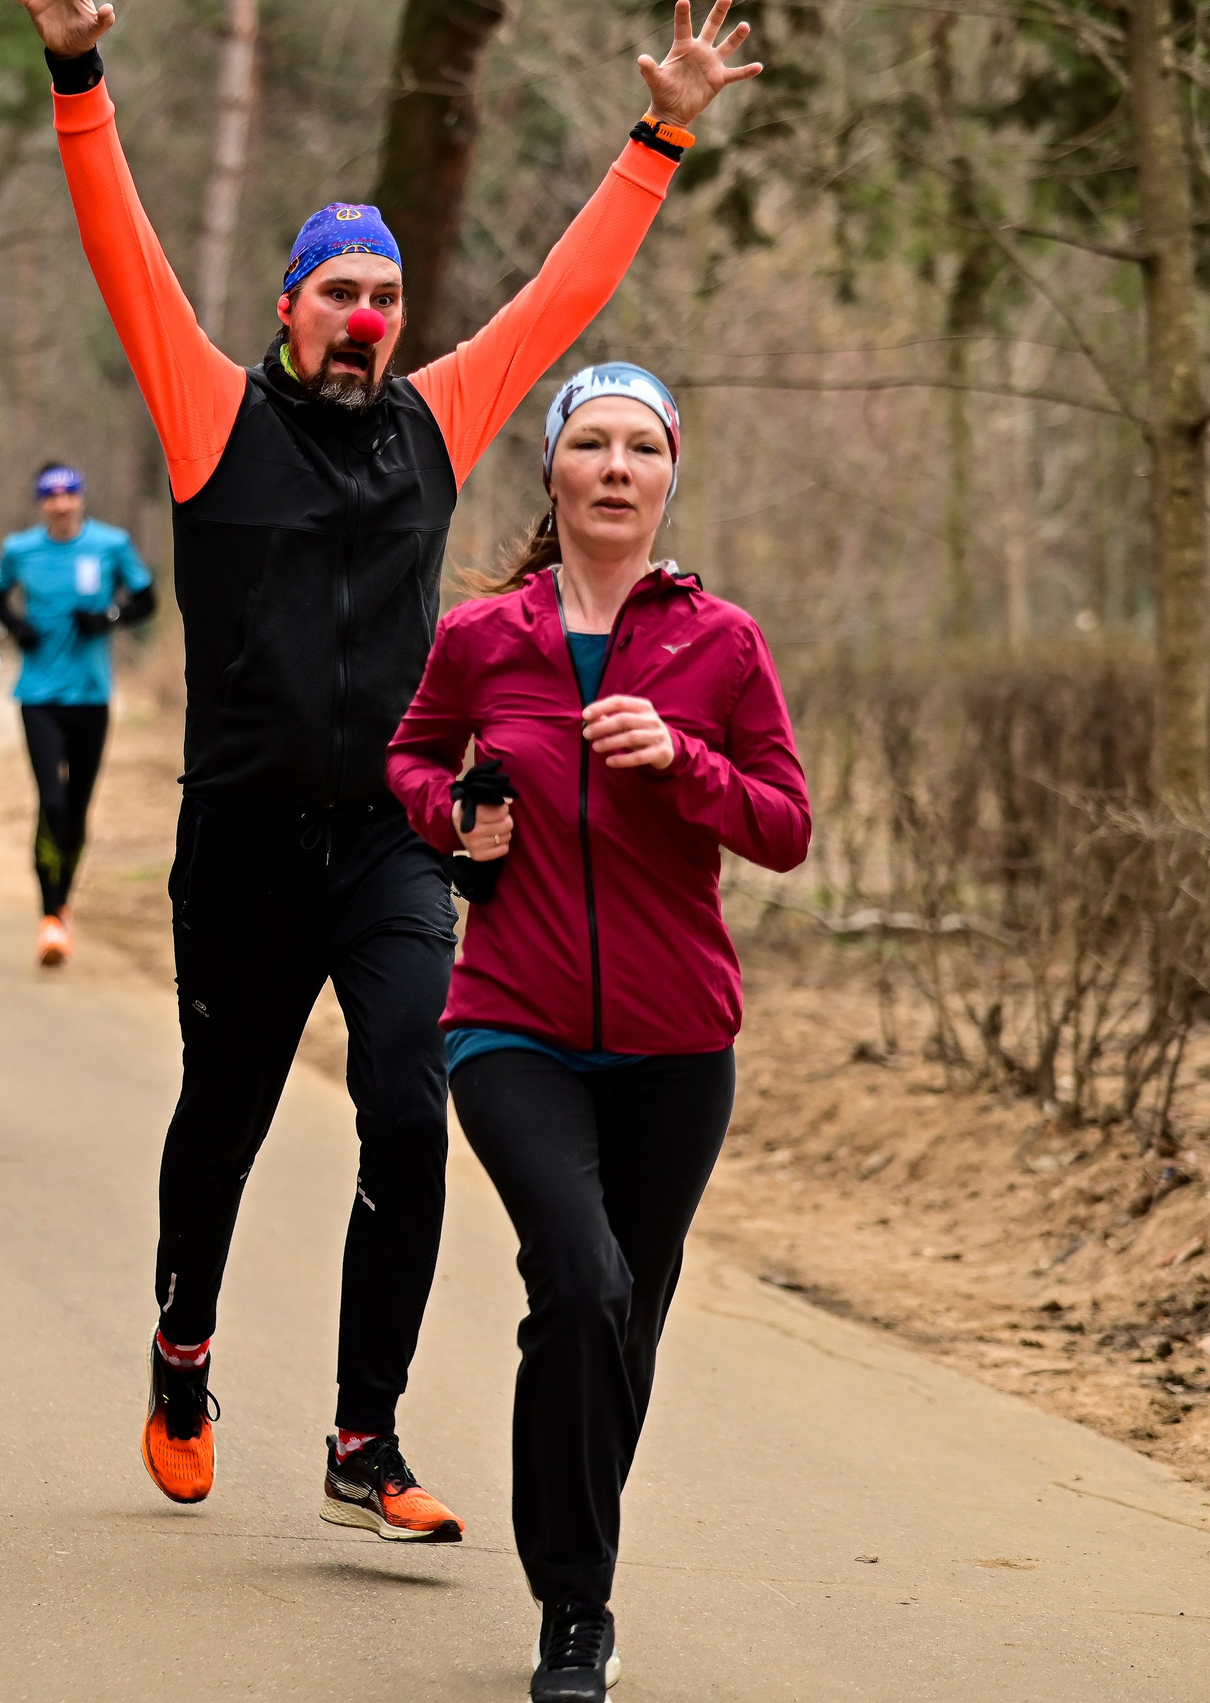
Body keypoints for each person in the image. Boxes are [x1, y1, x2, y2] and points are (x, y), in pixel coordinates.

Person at [9, 0, 760, 1536]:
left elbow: (559, 305)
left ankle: (365, 1434)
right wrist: (79, 72)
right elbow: (123, 249)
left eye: (387, 293)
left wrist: (661, 135)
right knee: (223, 1114)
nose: (367, 314)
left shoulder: (435, 420)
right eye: (339, 291)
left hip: (398, 843)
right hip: (241, 840)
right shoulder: (212, 414)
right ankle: (183, 1345)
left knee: (410, 1109)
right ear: (290, 308)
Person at [386, 365, 809, 1699]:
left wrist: (684, 765)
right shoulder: (480, 636)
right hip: (509, 1018)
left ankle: (566, 1532)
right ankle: (577, 1605)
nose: (616, 466)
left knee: (624, 1318)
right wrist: (453, 814)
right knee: (579, 1277)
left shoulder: (721, 643)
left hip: (680, 1040)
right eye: (592, 443)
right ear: (554, 472)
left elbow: (785, 824)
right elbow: (407, 759)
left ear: (670, 473)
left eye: (641, 446)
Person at [0, 462, 157, 965]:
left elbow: (146, 599)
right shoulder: (20, 550)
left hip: (92, 695)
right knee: (51, 801)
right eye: (50, 496)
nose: (60, 504)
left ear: (80, 498)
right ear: (41, 503)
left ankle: (64, 901)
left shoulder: (111, 544)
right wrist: (16, 625)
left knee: (77, 807)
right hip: (37, 693)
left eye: (68, 495)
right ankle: (50, 915)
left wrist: (109, 617)